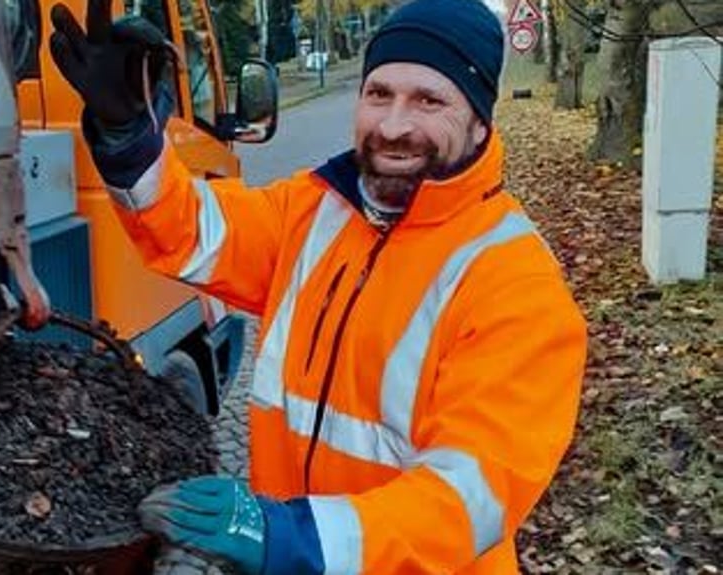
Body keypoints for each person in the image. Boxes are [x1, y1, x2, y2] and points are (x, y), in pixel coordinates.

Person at [49, 0, 588, 572]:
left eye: (430, 100)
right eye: (379, 93)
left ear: (481, 119)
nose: (394, 125)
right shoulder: (316, 209)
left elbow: (468, 501)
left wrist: (288, 538)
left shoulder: (517, 286)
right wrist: (129, 139)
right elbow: (194, 231)